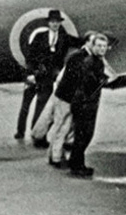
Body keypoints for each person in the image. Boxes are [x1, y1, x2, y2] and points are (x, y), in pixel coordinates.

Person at [15, 9, 79, 145]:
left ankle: (35, 133)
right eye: (53, 22)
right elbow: (30, 56)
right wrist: (30, 74)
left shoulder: (64, 38)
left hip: (48, 77)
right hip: (35, 74)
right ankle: (20, 131)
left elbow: (79, 42)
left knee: (41, 105)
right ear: (49, 23)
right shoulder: (40, 37)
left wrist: (94, 38)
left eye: (57, 22)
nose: (55, 24)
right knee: (25, 105)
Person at [54, 31, 113, 178]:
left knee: (85, 136)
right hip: (84, 105)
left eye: (104, 46)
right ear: (92, 46)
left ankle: (78, 164)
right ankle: (76, 166)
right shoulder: (90, 62)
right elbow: (89, 83)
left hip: (86, 104)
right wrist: (103, 79)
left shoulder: (96, 61)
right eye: (98, 46)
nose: (101, 49)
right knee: (83, 136)